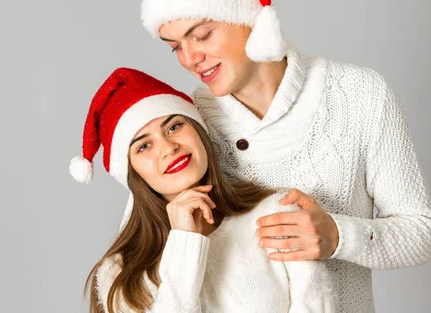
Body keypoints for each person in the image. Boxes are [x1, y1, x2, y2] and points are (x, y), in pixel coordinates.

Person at [131, 0, 431, 313]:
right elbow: (143, 253)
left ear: (249, 17)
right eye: (175, 47)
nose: (190, 59)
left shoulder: (360, 95)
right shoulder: (184, 124)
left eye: (203, 35)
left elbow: (420, 232)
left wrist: (339, 236)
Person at [69, 68, 337, 312]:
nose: (168, 147)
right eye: (144, 146)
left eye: (174, 126)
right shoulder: (121, 275)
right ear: (132, 173)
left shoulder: (276, 215)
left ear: (198, 130)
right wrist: (185, 243)